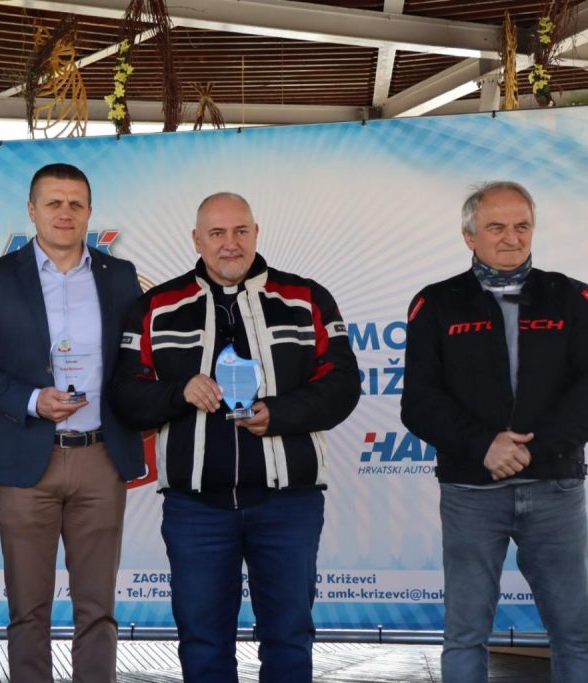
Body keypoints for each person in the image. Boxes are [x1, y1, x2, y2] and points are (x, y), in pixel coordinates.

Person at [110, 192, 360, 683]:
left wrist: (280, 414)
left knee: (289, 636)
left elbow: (343, 385)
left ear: (256, 233)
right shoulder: (156, 306)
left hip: (288, 503)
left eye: (241, 231)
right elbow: (125, 395)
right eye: (217, 233)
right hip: (196, 506)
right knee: (203, 641)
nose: (231, 244)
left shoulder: (307, 298)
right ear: (196, 239)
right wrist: (179, 392)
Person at [401, 181, 588, 683]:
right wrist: (485, 446)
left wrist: (531, 451)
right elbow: (420, 402)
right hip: (470, 493)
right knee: (465, 635)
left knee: (574, 634)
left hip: (555, 489)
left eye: (522, 226)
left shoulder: (571, 297)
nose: (511, 237)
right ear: (469, 236)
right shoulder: (436, 304)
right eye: (496, 227)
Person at [0, 163, 145, 683]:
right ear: (32, 210)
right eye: (54, 202)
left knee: (98, 610)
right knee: (28, 610)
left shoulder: (119, 276)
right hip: (24, 459)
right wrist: (33, 399)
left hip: (101, 458)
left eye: (76, 203)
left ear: (90, 212)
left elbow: (137, 360)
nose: (65, 212)